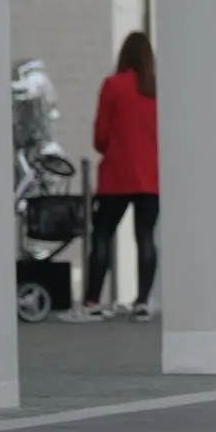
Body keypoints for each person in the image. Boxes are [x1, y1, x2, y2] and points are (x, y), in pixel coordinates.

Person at [61, 31, 159, 323]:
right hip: (151, 175)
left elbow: (100, 136)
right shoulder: (157, 89)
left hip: (117, 174)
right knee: (145, 237)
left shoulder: (113, 85)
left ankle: (93, 300)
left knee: (102, 234)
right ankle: (143, 302)